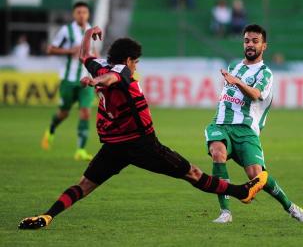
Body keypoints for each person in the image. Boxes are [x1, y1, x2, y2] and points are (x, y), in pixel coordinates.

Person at [18, 26, 268, 230]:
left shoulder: (101, 65)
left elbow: (85, 57)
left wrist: (87, 36)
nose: (135, 67)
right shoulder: (119, 72)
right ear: (128, 60)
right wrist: (96, 81)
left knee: (83, 185)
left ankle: (47, 216)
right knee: (191, 173)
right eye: (135, 62)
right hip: (143, 144)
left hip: (113, 147)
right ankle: (240, 192)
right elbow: (113, 78)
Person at [204, 24, 303, 223]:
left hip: (246, 131)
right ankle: (225, 212)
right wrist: (234, 80)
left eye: (255, 41)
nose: (250, 45)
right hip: (221, 123)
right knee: (217, 153)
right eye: (246, 41)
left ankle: (291, 207)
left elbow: (256, 95)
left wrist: (236, 82)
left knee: (258, 176)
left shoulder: (265, 73)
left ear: (264, 46)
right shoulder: (234, 67)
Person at [42, 2, 97, 161]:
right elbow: (50, 49)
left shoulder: (92, 30)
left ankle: (80, 150)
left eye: (85, 12)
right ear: (74, 14)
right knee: (64, 112)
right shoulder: (66, 30)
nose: (82, 15)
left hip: (85, 80)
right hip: (68, 79)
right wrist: (70, 50)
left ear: (88, 14)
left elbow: (94, 50)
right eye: (79, 12)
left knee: (86, 112)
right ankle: (51, 129)